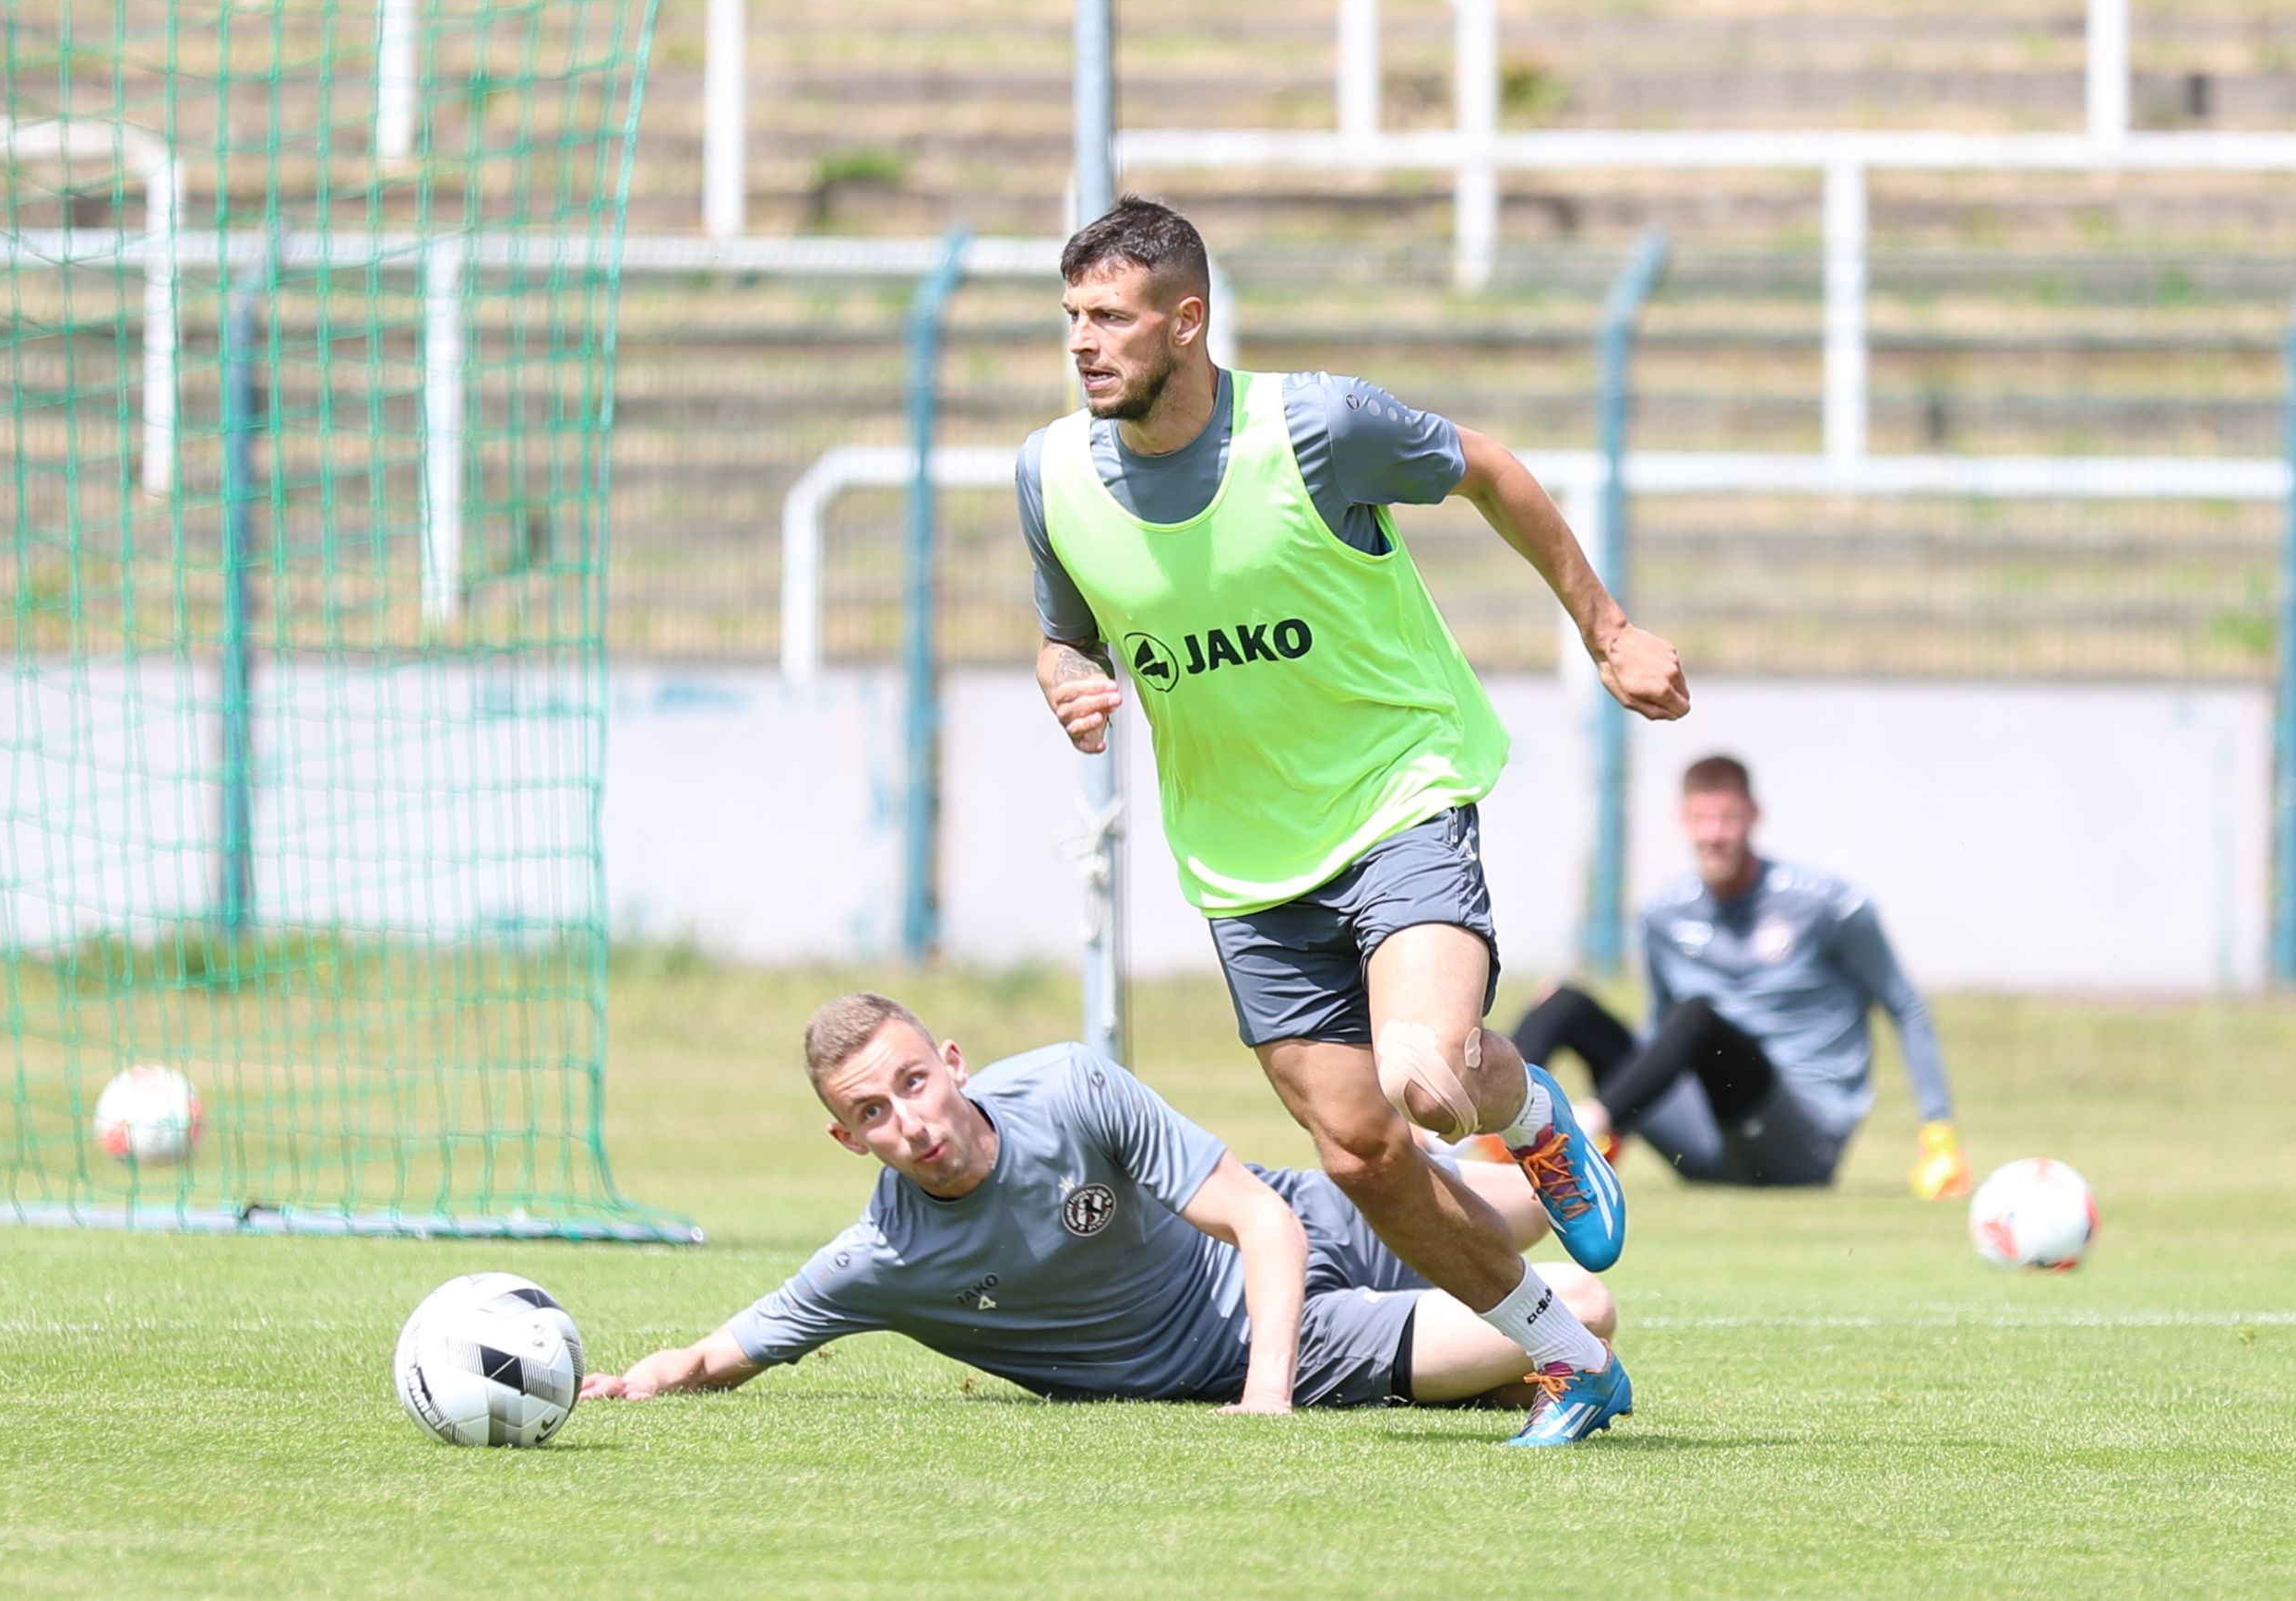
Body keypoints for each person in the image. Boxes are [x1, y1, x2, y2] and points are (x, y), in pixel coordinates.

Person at [1012, 195, 1689, 1441]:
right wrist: (1069, 688)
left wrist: (1607, 630)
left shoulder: (1313, 425)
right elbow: (1064, 638)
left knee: (1425, 1075)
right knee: (1362, 1155)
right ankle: (1563, 1357)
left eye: (1109, 317)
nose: (1083, 343)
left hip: (1395, 796)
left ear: (1187, 320)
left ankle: (1530, 1114)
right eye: (1071, 317)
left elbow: (1485, 465)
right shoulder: (1050, 475)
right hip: (1240, 859)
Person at [580, 994, 1620, 1441]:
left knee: (1539, 1209)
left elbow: (1262, 1220)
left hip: (1295, 1224)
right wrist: (646, 1374)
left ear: (952, 1065)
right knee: (1583, 1308)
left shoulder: (1069, 1088)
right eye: (871, 1114)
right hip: (1292, 1343)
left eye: (911, 1083)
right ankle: (1505, 1367)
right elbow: (736, 1344)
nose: (910, 1121)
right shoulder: (882, 1258)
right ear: (849, 1143)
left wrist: (1266, 1410)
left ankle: (1540, 1125)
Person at [1512, 754, 1969, 1195]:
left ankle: (1581, 1132)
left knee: (1699, 1020)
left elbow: (1905, 1007)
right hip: (1705, 1141)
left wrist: (1938, 1134)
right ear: (1682, 821)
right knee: (1564, 1003)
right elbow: (1658, 1030)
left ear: (1754, 816)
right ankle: (1483, 1139)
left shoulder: (1829, 905)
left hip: (1800, 1142)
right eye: (1701, 819)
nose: (1714, 835)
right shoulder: (1663, 917)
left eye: (1727, 818)